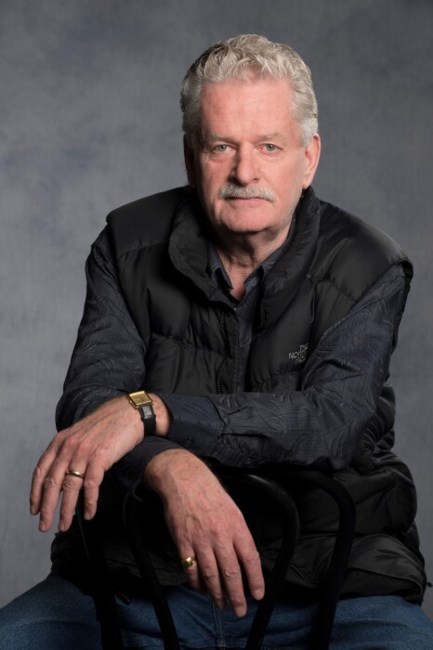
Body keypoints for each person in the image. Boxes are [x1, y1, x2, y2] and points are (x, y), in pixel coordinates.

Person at [1, 33, 432, 649]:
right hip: (139, 582)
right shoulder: (125, 245)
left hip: (328, 589)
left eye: (269, 146)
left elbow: (330, 422)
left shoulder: (369, 265)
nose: (244, 172)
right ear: (190, 157)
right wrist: (171, 466)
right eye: (221, 146)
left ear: (309, 157)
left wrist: (155, 413)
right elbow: (91, 405)